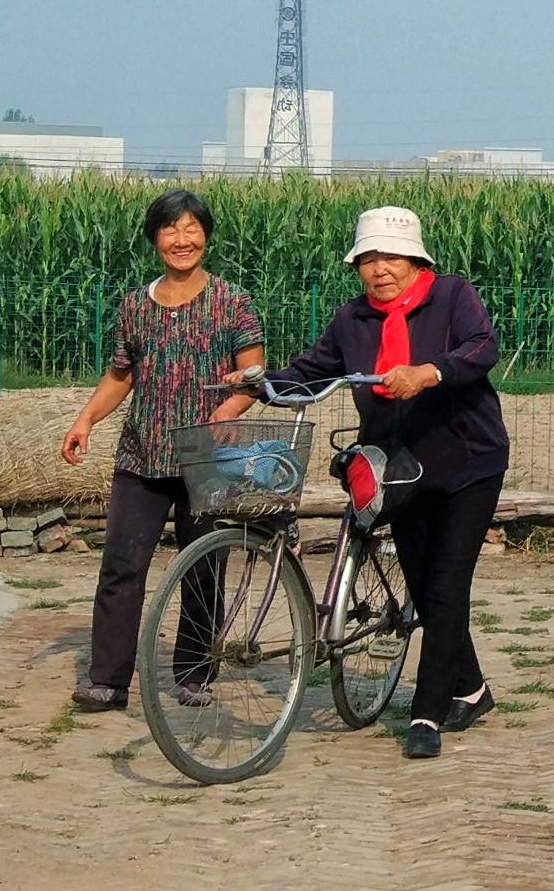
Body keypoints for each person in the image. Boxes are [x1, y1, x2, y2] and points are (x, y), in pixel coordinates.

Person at [227, 205, 508, 759]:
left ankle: (426, 715)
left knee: (446, 585)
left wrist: (429, 373)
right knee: (427, 587)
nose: (381, 269)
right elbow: (313, 370)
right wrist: (260, 384)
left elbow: (482, 347)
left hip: (466, 464)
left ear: (415, 260)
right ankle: (472, 691)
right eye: (370, 258)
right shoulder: (352, 320)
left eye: (393, 257)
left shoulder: (451, 295)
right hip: (396, 467)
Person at [61, 189, 265, 712]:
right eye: (171, 230)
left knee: (203, 567)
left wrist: (229, 409)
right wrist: (86, 418)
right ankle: (107, 680)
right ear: (155, 239)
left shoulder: (232, 301)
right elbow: (120, 375)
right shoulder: (134, 305)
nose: (183, 239)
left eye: (192, 228)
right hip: (142, 456)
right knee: (121, 566)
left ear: (206, 236)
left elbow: (254, 375)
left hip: (205, 457)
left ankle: (195, 672)